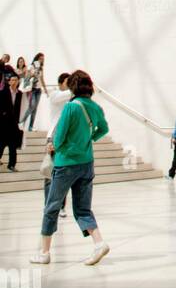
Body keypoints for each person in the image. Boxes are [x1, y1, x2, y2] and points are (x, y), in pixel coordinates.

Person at [30, 69, 111, 267]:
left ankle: (44, 253)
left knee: (52, 207)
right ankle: (99, 243)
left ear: (73, 86)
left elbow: (59, 137)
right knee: (83, 209)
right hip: (87, 163)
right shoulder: (95, 107)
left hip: (66, 164)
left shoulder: (71, 107)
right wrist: (89, 139)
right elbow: (104, 129)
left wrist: (54, 147)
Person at [44, 73, 72, 216]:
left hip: (65, 139)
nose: (71, 84)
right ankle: (48, 205)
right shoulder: (55, 94)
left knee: (63, 172)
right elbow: (68, 93)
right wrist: (79, 86)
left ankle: (61, 206)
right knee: (50, 173)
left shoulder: (70, 100)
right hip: (53, 137)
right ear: (61, 83)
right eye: (69, 82)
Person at [0, 74, 23, 170]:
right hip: (3, 123)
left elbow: (20, 108)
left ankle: (12, 165)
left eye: (16, 80)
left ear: (18, 82)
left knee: (13, 146)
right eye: (12, 80)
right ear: (9, 82)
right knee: (1, 144)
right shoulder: (3, 92)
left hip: (14, 124)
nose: (14, 82)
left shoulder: (20, 93)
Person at [24, 54, 47, 131]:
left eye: (43, 59)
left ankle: (30, 126)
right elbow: (26, 78)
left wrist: (45, 89)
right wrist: (33, 74)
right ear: (36, 59)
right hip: (32, 89)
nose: (41, 60)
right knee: (32, 106)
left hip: (39, 90)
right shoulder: (31, 67)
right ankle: (22, 122)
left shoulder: (41, 68)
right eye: (40, 58)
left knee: (35, 109)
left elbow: (42, 79)